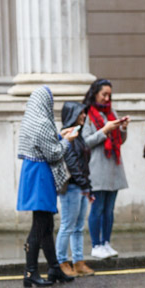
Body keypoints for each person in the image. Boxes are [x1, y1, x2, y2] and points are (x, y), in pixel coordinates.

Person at [15, 86, 76, 287]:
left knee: (47, 224)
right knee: (40, 226)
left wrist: (60, 135)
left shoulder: (31, 120)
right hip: (40, 175)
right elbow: (54, 153)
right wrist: (66, 141)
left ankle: (54, 268)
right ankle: (30, 271)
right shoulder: (42, 122)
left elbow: (45, 143)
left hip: (33, 172)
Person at [83, 78, 129, 260]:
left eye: (109, 94)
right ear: (95, 93)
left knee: (109, 209)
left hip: (114, 167)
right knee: (98, 209)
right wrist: (104, 130)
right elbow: (85, 142)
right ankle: (96, 245)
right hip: (97, 168)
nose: (107, 98)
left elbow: (120, 141)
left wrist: (122, 129)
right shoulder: (87, 114)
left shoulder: (111, 112)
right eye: (104, 94)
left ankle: (106, 243)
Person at [55, 102, 96, 278]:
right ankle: (61, 261)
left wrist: (86, 186)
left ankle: (78, 261)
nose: (84, 116)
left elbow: (82, 164)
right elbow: (72, 163)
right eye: (80, 113)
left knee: (78, 226)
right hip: (71, 186)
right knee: (68, 225)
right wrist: (85, 185)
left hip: (80, 186)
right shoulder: (69, 135)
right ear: (71, 115)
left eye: (84, 113)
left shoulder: (77, 135)